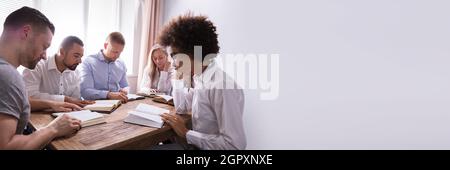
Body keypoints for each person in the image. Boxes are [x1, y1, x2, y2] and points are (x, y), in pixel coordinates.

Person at [157, 14, 246, 150]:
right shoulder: (200, 78)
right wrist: (178, 77)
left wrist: (187, 133)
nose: (173, 63)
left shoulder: (221, 87)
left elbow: (234, 146)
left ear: (195, 53)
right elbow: (181, 107)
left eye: (175, 55)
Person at [0, 7, 82, 149]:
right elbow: (5, 146)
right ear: (26, 32)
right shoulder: (8, 76)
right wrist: (54, 128)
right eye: (44, 46)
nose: (44, 55)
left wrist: (51, 104)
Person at [23, 36, 95, 107]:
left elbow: (75, 100)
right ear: (62, 52)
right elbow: (30, 96)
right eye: (76, 56)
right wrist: (65, 99)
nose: (80, 61)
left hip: (66, 114)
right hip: (37, 115)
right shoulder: (37, 66)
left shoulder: (76, 73)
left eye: (81, 57)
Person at [78, 32, 129, 103]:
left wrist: (125, 90)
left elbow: (125, 85)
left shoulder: (121, 63)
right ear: (105, 46)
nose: (118, 56)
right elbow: (85, 92)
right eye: (115, 52)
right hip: (96, 105)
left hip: (117, 103)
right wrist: (108, 95)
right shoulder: (88, 62)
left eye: (120, 52)